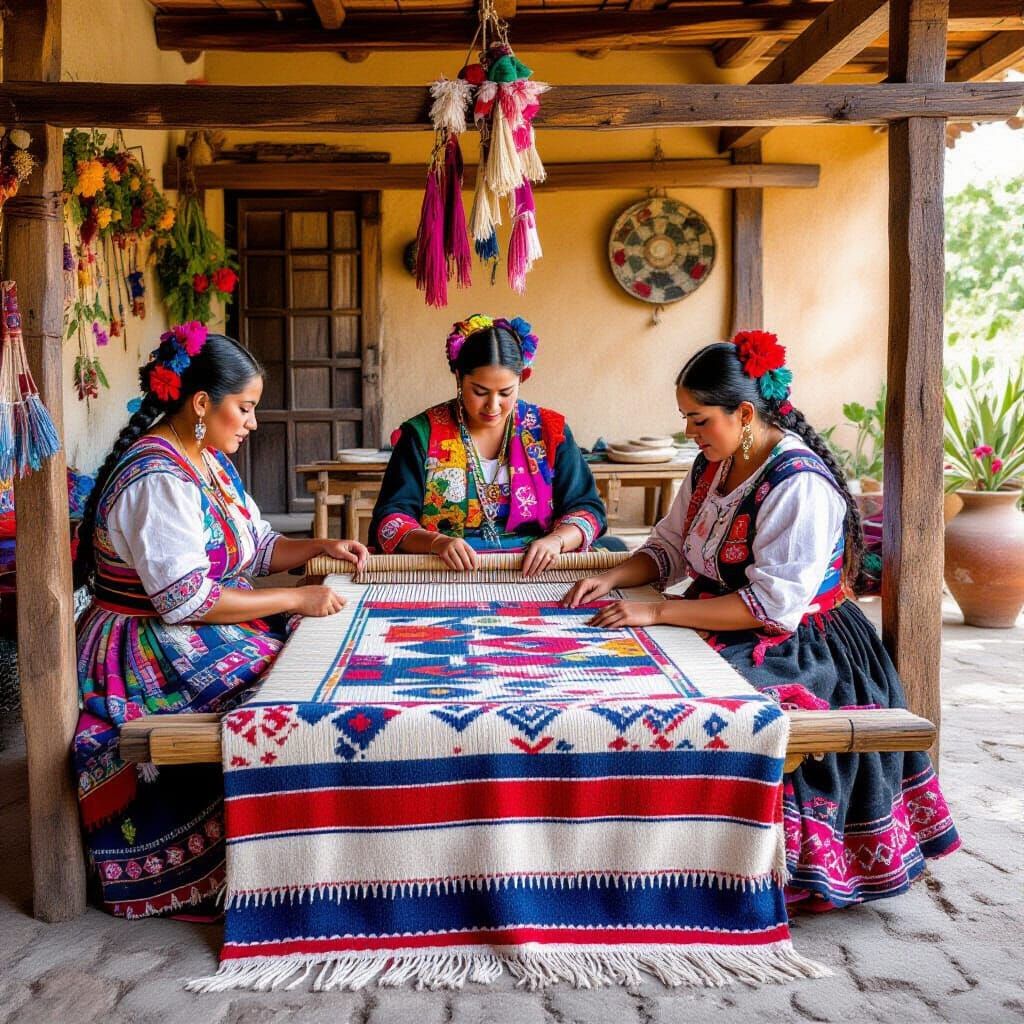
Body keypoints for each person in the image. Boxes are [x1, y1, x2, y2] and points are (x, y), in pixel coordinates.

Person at [564, 331, 959, 909]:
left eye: (699, 420)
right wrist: (617, 577)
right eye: (686, 419)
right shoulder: (711, 466)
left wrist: (656, 611)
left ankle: (730, 864)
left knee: (697, 706)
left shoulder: (796, 483)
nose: (690, 433)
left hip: (801, 645)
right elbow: (670, 546)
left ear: (744, 413)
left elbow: (772, 608)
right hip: (719, 617)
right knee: (611, 665)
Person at [73, 324, 368, 918]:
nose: (253, 422)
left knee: (321, 655)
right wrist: (291, 601)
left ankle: (318, 842)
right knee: (289, 691)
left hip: (187, 624)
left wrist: (318, 548)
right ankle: (271, 855)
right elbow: (185, 602)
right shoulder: (158, 478)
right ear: (202, 403)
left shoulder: (205, 461)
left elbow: (256, 548)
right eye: (246, 407)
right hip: (145, 645)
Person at [370, 314, 623, 575]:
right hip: (444, 568)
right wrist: (436, 542)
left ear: (522, 378)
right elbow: (390, 520)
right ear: (458, 377)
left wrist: (556, 541)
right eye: (479, 392)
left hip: (535, 568)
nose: (492, 406)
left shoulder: (548, 431)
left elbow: (587, 509)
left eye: (505, 393)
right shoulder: (422, 435)